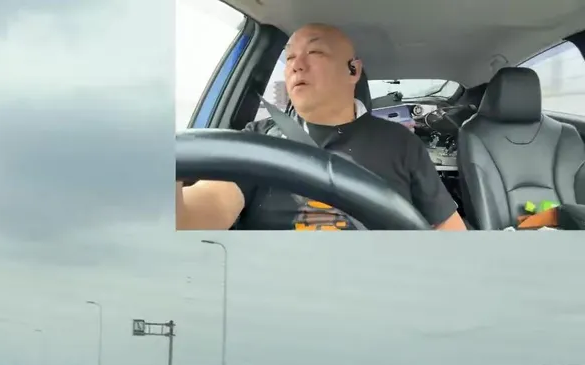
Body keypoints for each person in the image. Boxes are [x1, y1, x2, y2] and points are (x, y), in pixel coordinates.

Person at [176, 23, 467, 231]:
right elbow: (199, 213)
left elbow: (449, 232)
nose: (296, 65)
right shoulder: (258, 140)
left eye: (314, 52)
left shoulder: (400, 143)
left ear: (353, 70)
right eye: (290, 57)